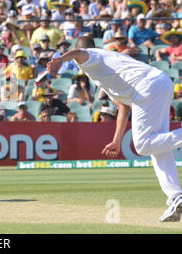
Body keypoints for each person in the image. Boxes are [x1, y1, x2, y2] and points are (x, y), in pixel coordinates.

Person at [47, 35, 182, 222]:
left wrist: (60, 60)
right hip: (160, 83)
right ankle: (176, 196)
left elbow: (78, 52)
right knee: (157, 147)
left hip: (146, 88)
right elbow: (123, 108)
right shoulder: (106, 67)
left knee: (143, 145)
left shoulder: (91, 56)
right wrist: (117, 141)